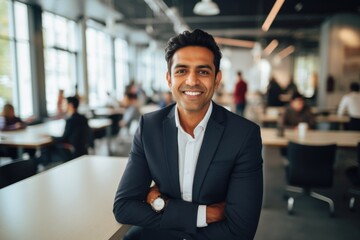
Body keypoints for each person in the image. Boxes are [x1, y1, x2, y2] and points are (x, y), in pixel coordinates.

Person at [113, 29, 263, 240]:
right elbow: (124, 207)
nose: (192, 81)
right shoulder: (150, 127)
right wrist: (203, 214)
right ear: (169, 78)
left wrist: (161, 206)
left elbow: (241, 230)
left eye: (203, 72)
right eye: (182, 71)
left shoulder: (243, 135)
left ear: (217, 79)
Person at [43, 96, 91, 163]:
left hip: (72, 152)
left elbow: (64, 139)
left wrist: (51, 137)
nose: (63, 106)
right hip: (82, 150)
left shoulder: (70, 121)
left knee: (46, 147)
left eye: (64, 104)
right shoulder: (83, 118)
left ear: (70, 105)